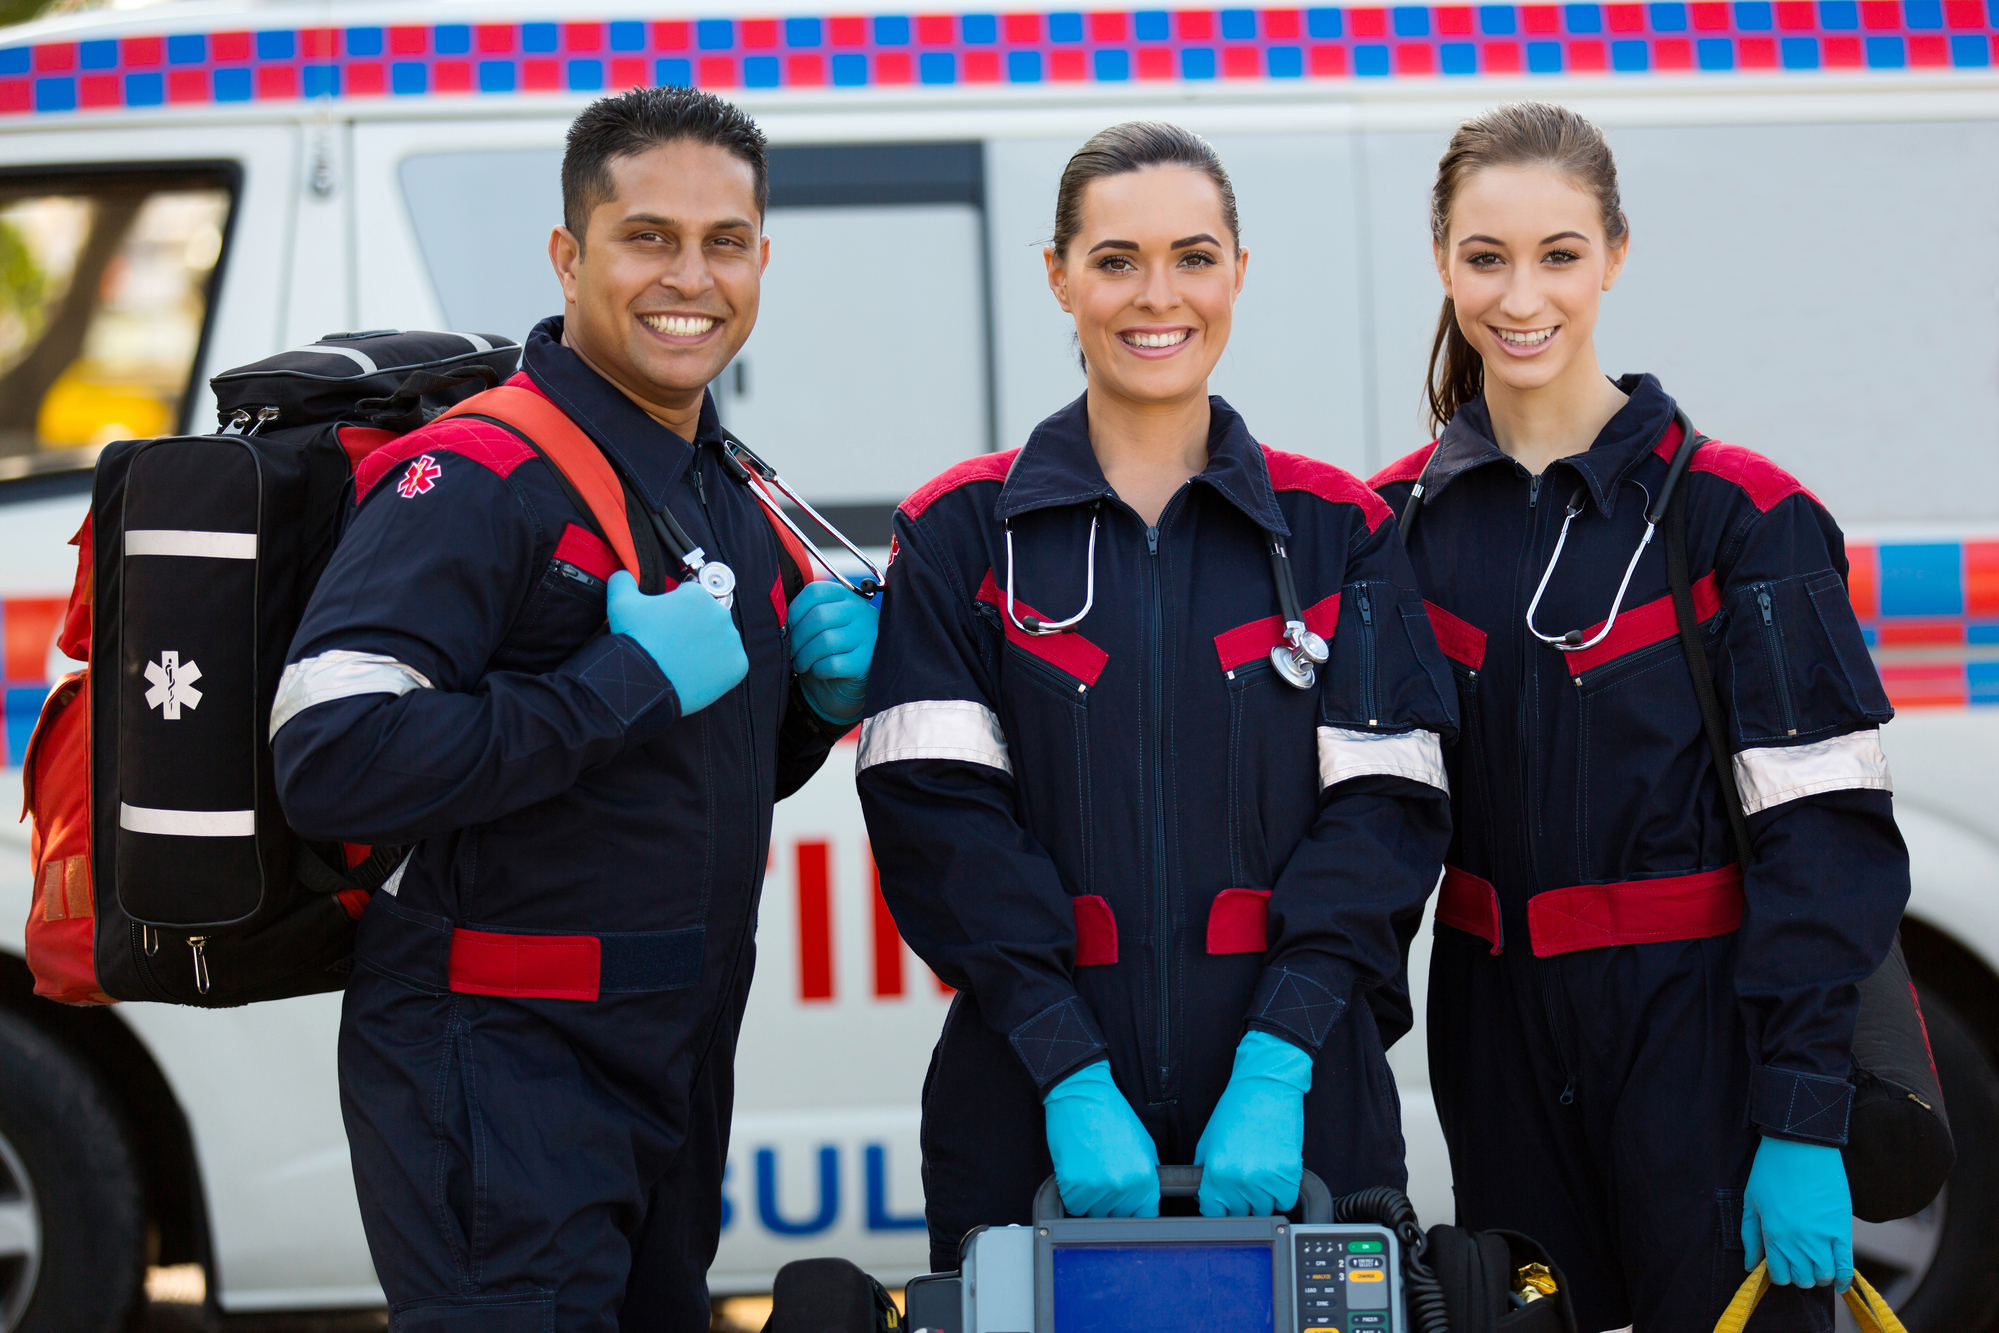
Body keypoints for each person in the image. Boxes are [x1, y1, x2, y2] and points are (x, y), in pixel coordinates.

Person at [270, 87, 878, 1332]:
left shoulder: (722, 482)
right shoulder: (476, 477)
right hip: (496, 1071)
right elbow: (328, 755)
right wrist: (617, 685)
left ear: (763, 258)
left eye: (724, 242)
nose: (689, 277)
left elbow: (681, 779)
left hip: (667, 1060)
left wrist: (809, 711)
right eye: (646, 236)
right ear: (568, 255)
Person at [857, 122, 1456, 1266]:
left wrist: (1279, 1065)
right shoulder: (960, 535)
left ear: (1238, 273)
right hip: (1027, 1105)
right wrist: (1066, 1067)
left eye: (1192, 256)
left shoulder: (1339, 531)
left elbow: (1385, 818)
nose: (1156, 296)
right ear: (1059, 276)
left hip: (1301, 1098)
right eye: (1116, 258)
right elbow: (937, 825)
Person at [1370, 103, 1908, 1333]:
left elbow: (1825, 845)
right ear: (1442, 262)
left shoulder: (1743, 520)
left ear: (1614, 254)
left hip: (1699, 1037)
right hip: (1494, 1037)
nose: (1521, 295)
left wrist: (1800, 1117)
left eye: (1558, 253)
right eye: (1484, 256)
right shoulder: (1389, 529)